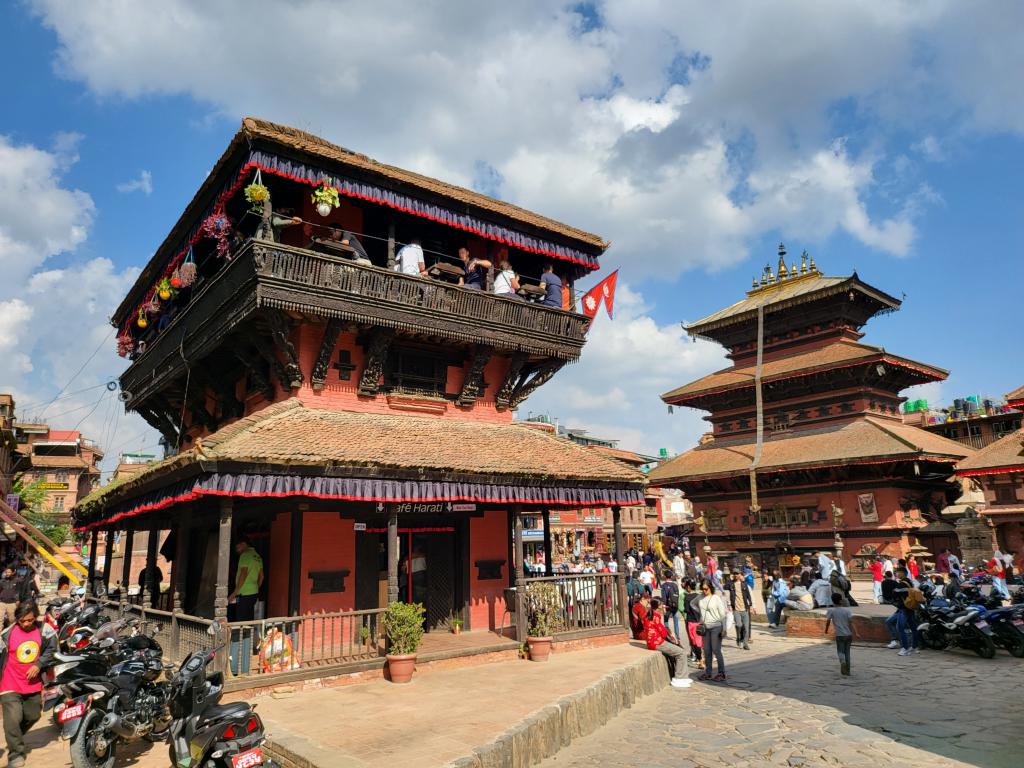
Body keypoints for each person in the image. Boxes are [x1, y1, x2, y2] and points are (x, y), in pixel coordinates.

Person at [0, 601, 56, 767]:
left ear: (35, 617)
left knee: (33, 715)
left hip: (32, 684)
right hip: (9, 682)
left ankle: (14, 736)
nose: (26, 624)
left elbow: (52, 650)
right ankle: (16, 754)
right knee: (13, 718)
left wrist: (38, 665)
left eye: (30, 620)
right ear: (17, 619)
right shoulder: (7, 634)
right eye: (22, 621)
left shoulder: (45, 631)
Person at [644, 598, 690, 687]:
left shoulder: (650, 614)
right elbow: (663, 632)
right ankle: (679, 678)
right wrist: (670, 634)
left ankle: (683, 677)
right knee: (681, 652)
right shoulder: (656, 616)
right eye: (661, 604)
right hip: (657, 642)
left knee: (680, 651)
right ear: (658, 606)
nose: (663, 605)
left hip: (653, 641)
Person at [885, 567, 920, 656]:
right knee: (913, 628)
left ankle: (905, 648)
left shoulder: (902, 584)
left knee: (900, 628)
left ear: (903, 573)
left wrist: (894, 590)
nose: (896, 574)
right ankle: (914, 647)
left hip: (904, 608)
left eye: (898, 572)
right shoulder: (910, 582)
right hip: (910, 607)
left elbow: (895, 593)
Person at [228, 536, 263, 622]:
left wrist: (234, 593)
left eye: (238, 547)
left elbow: (243, 574)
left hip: (244, 593)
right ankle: (248, 635)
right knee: (249, 619)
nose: (237, 550)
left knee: (241, 620)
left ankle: (243, 635)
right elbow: (262, 576)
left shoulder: (245, 555)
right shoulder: (258, 556)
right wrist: (255, 588)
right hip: (254, 593)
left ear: (243, 544)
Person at [697, 580, 727, 682]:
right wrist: (701, 617)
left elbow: (723, 615)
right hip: (705, 627)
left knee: (716, 649)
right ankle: (708, 673)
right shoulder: (700, 597)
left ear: (711, 588)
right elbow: (692, 604)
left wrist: (724, 629)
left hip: (716, 626)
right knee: (706, 650)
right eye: (703, 589)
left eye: (706, 589)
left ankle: (721, 673)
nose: (704, 591)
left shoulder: (716, 598)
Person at [824, 593, 856, 676]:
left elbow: (828, 621)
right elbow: (851, 622)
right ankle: (847, 671)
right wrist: (856, 632)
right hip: (848, 634)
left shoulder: (831, 610)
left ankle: (842, 661)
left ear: (832, 600)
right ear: (841, 600)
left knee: (840, 651)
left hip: (839, 635)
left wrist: (826, 630)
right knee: (847, 652)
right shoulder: (847, 610)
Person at [726, 571, 752, 650]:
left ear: (740, 575)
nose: (736, 575)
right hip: (736, 609)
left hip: (745, 609)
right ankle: (738, 637)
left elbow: (748, 595)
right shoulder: (731, 584)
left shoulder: (744, 584)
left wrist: (750, 605)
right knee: (739, 625)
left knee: (746, 628)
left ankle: (745, 643)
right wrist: (730, 580)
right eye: (734, 574)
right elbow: (724, 586)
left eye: (737, 574)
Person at [681, 578, 703, 666]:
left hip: (691, 622)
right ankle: (704, 658)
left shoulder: (687, 597)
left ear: (689, 587)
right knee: (701, 642)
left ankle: (701, 660)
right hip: (700, 621)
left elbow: (686, 610)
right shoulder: (699, 596)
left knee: (695, 643)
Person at [660, 569, 682, 644]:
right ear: (671, 576)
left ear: (665, 577)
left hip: (667, 606)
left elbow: (663, 597)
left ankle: (669, 636)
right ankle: (678, 638)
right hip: (675, 606)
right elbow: (677, 595)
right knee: (676, 622)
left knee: (666, 622)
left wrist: (663, 607)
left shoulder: (664, 586)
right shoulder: (675, 585)